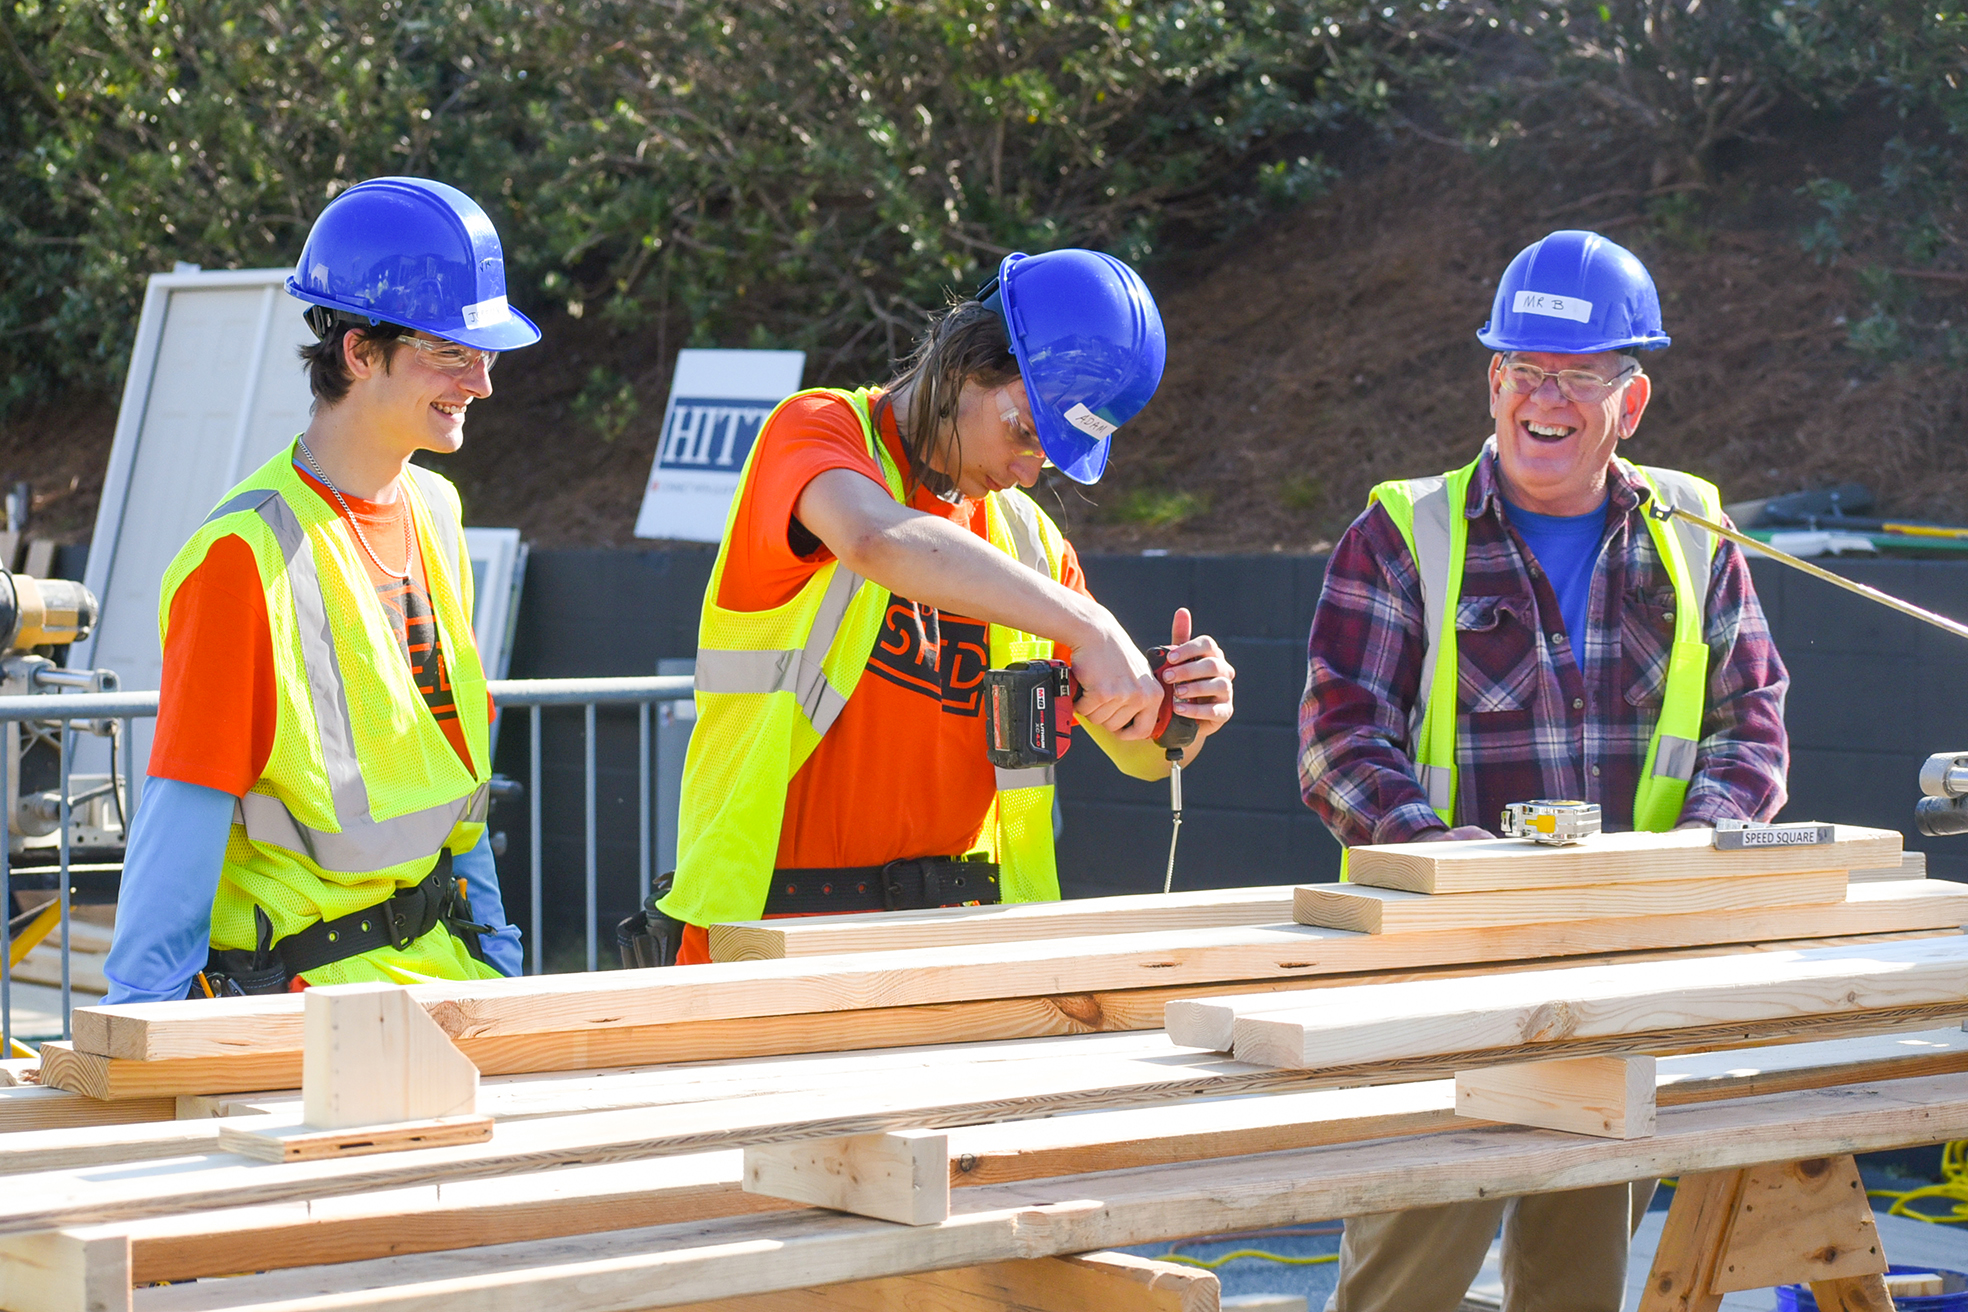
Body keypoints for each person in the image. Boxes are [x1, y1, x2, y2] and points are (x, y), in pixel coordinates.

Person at [1298, 229, 1789, 1312]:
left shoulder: (1695, 533)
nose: (1546, 399)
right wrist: (1441, 858)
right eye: (1526, 370)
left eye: (1578, 374)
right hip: (1441, 983)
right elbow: (1339, 742)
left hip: (1620, 977)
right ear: (1493, 380)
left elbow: (1752, 721)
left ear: (1634, 398)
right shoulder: (1401, 536)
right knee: (1404, 1288)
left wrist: (1689, 853)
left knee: (1574, 1291)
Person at [652, 249, 1237, 964]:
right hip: (775, 934)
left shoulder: (1028, 545)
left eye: (1051, 456)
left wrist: (1176, 706)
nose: (1028, 470)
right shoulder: (817, 432)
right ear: (965, 360)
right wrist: (1091, 625)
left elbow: (1137, 752)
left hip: (958, 945)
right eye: (1026, 432)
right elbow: (874, 537)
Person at [103, 177, 533, 1002]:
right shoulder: (243, 557)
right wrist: (143, 1032)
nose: (480, 382)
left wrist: (498, 956)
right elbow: (183, 818)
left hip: (446, 976)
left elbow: (455, 778)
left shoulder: (436, 513)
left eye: (486, 354)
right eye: (451, 350)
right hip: (306, 1012)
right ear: (358, 351)